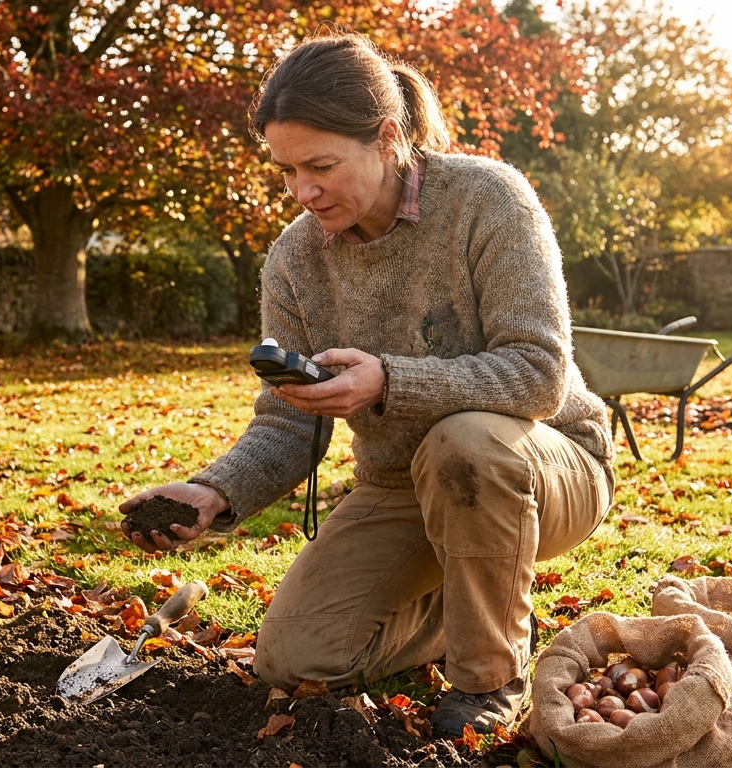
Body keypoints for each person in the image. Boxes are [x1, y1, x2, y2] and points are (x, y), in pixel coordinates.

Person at [119, 32, 615, 738]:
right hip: (400, 484)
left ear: (386, 139)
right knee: (294, 659)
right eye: (287, 171)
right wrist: (215, 491)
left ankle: (490, 677)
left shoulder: (487, 201)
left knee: (464, 441)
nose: (303, 191)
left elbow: (539, 374)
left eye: (320, 166)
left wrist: (390, 382)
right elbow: (288, 423)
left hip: (544, 465)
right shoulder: (295, 259)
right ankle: (471, 600)